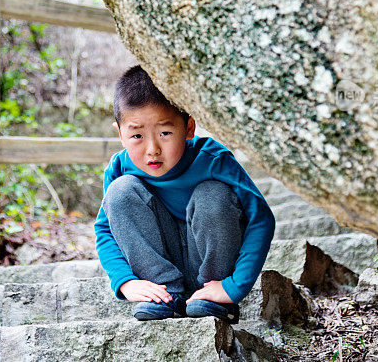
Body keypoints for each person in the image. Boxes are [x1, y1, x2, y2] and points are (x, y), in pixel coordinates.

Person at [94, 65, 275, 324]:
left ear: (189, 128)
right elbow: (105, 230)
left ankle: (214, 299)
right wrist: (126, 282)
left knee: (212, 194)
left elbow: (261, 219)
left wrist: (233, 286)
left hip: (213, 271)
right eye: (137, 135)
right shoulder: (120, 167)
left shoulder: (213, 159)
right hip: (159, 275)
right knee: (119, 192)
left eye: (165, 133)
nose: (152, 149)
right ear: (120, 134)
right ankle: (164, 296)